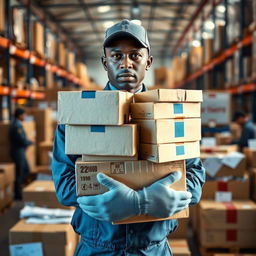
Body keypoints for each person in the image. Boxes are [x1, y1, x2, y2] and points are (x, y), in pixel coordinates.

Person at [52, 20, 205, 255]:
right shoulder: (78, 117)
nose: (125, 63)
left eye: (135, 55)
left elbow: (194, 176)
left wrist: (159, 198)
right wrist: (125, 200)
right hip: (99, 248)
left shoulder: (172, 116)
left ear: (149, 62)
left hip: (152, 248)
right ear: (105, 63)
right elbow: (64, 187)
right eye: (116, 56)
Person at [9, 108, 33, 200]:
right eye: (24, 115)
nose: (25, 116)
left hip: (20, 152)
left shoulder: (16, 124)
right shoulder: (17, 126)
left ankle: (22, 191)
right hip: (18, 152)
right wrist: (30, 142)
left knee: (25, 170)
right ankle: (17, 195)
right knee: (19, 173)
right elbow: (21, 140)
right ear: (20, 115)